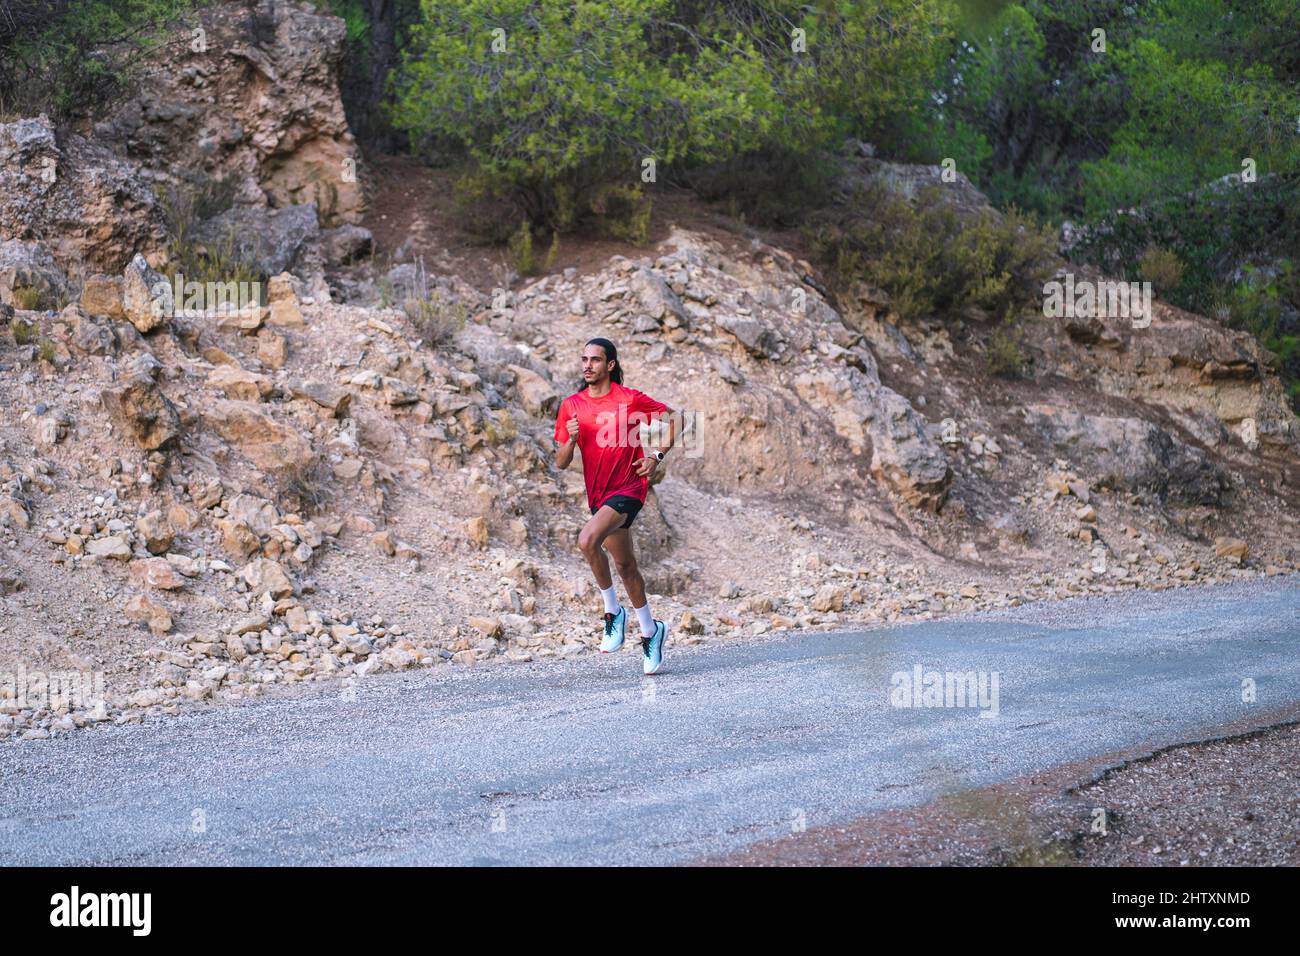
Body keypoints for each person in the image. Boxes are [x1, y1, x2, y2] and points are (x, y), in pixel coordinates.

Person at [554, 337, 677, 674]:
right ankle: (652, 631)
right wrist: (573, 438)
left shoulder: (629, 399)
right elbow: (562, 462)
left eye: (595, 360)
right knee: (625, 566)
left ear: (610, 365)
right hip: (598, 495)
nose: (587, 366)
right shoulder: (571, 406)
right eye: (583, 359)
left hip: (629, 488)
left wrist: (656, 456)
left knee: (586, 540)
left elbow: (677, 420)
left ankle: (613, 612)